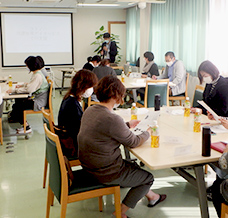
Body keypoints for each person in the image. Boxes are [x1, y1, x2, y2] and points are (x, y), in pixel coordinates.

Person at [78, 75, 166, 218]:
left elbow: (104, 130)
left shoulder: (90, 110)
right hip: (105, 172)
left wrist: (127, 125)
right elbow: (134, 142)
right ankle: (119, 213)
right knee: (148, 177)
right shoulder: (112, 118)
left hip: (89, 165)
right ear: (116, 96)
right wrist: (148, 132)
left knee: (135, 168)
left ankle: (152, 197)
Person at [57, 69, 98, 157]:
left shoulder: (69, 98)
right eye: (90, 87)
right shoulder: (72, 105)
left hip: (70, 138)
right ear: (83, 86)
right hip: (73, 146)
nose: (91, 90)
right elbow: (79, 130)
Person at [7, 56, 49, 134]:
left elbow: (30, 89)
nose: (26, 67)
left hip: (39, 103)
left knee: (18, 107)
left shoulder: (37, 76)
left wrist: (15, 90)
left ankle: (26, 127)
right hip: (38, 99)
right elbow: (31, 86)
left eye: (27, 65)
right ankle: (19, 120)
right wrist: (23, 86)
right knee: (18, 102)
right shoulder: (37, 74)